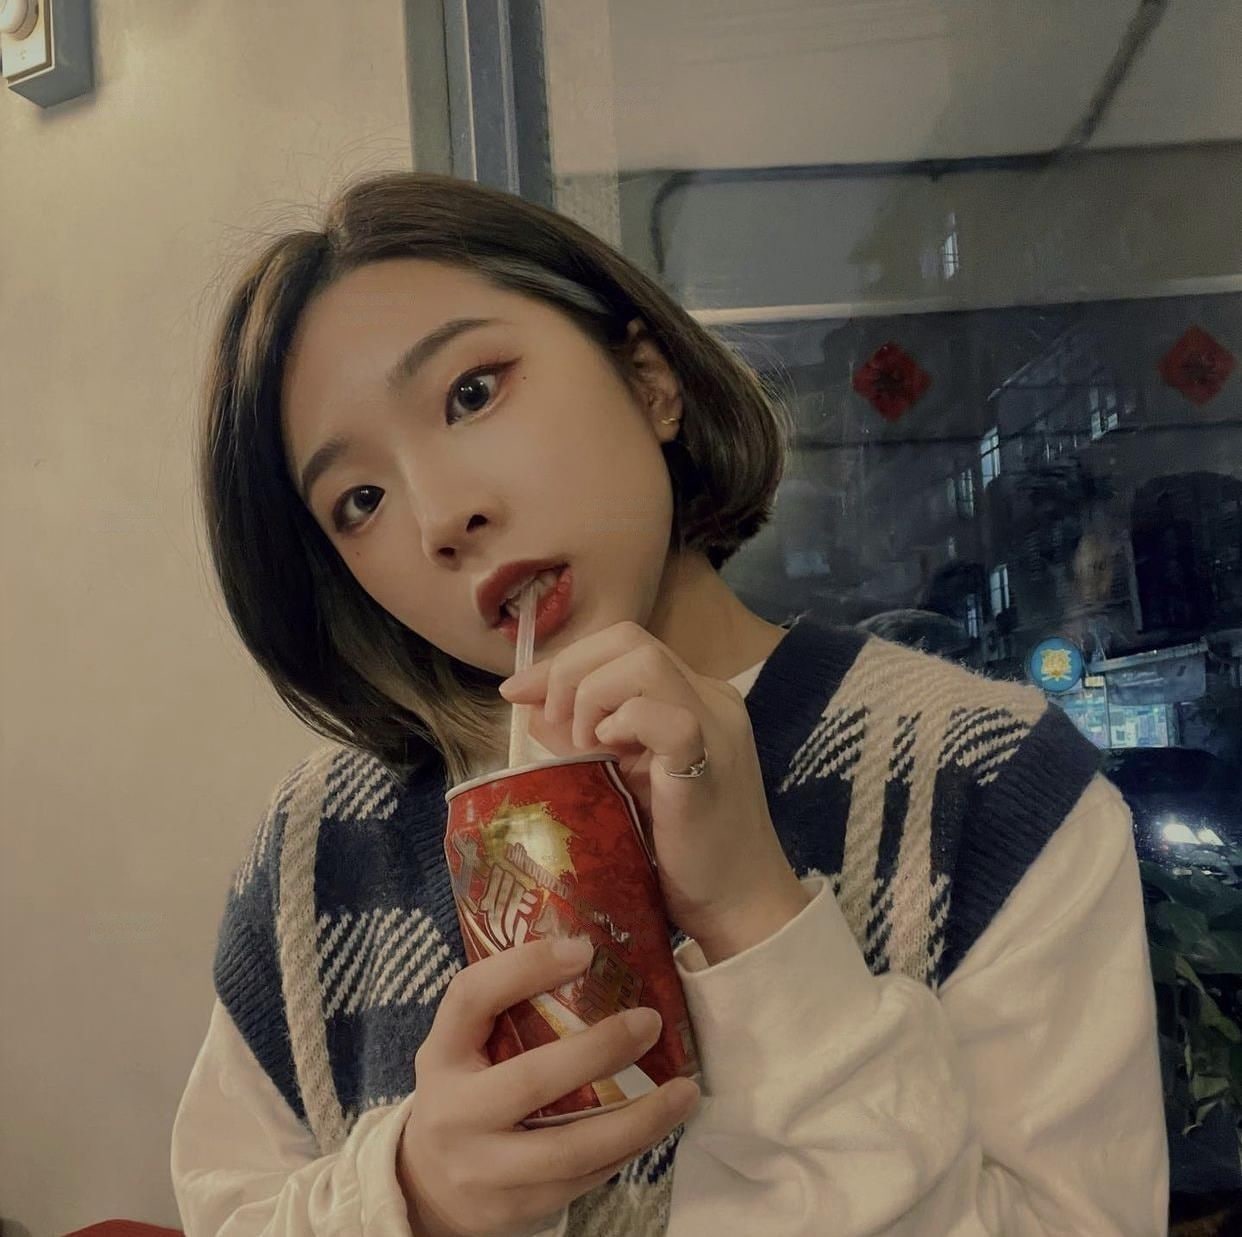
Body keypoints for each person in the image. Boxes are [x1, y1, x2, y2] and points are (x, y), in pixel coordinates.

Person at [171, 171, 1168, 1236]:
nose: (440, 517)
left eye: (472, 392)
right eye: (359, 500)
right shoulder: (322, 848)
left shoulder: (985, 779)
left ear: (649, 380)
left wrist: (755, 920)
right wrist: (410, 1198)